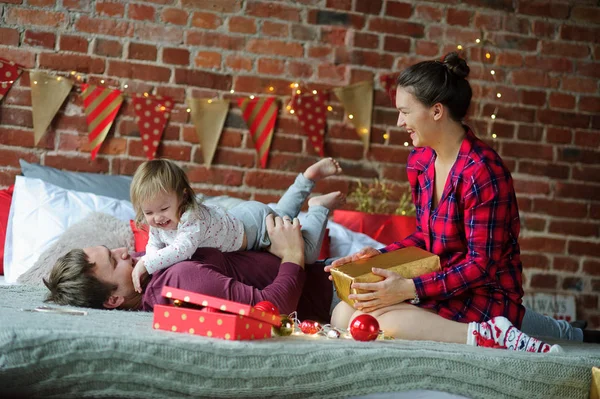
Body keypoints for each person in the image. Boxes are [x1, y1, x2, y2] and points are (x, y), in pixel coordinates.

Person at [325, 52, 564, 353]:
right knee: (343, 315)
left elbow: (481, 266)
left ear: (436, 111)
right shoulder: (420, 161)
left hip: (482, 293)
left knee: (385, 323)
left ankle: (494, 334)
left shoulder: (483, 171)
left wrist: (409, 288)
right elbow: (426, 237)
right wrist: (376, 256)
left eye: (405, 112)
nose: (400, 122)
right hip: (440, 285)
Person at [43, 214, 333, 322]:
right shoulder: (178, 282)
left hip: (324, 272)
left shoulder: (149, 270)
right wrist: (292, 253)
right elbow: (272, 310)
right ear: (112, 299)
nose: (124, 251)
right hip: (331, 292)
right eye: (114, 260)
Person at [129, 158, 345, 293]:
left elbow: (182, 250)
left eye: (164, 209)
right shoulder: (158, 222)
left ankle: (318, 207)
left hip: (254, 228)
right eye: (148, 212)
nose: (157, 218)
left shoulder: (190, 218)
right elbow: (153, 245)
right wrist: (150, 257)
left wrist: (146, 264)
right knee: (281, 215)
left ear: (183, 197)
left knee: (304, 253)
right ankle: (306, 179)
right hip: (242, 217)